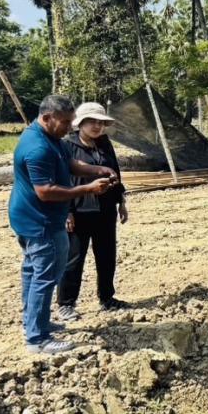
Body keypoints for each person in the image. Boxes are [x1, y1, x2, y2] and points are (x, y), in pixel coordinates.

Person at [9, 95, 117, 355]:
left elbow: (69, 164)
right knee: (45, 277)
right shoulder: (38, 148)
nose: (70, 127)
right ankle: (37, 339)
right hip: (40, 221)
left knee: (31, 271)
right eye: (66, 122)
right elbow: (45, 191)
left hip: (34, 217)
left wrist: (96, 170)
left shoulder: (51, 138)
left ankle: (34, 322)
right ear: (47, 118)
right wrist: (87, 188)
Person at [57, 102, 129, 322]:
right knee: (74, 260)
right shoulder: (67, 146)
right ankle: (66, 304)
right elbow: (61, 180)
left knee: (107, 256)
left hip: (105, 210)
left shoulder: (105, 144)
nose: (97, 127)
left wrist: (121, 200)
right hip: (79, 210)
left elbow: (115, 171)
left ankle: (107, 298)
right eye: (92, 122)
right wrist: (66, 211)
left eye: (101, 123)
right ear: (80, 123)